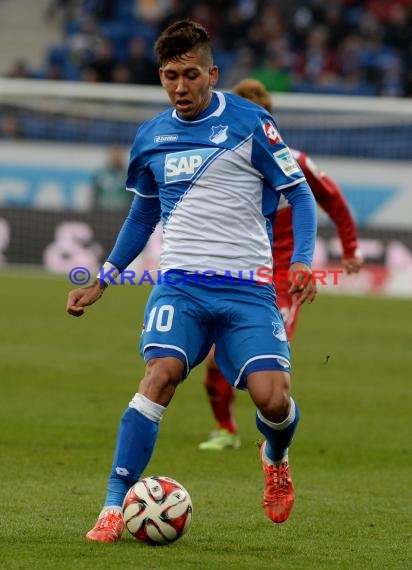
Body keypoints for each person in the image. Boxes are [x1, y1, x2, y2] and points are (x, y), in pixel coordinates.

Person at [66, 20, 317, 542]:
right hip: (180, 286)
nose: (180, 87)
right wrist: (103, 279)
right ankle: (114, 505)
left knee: (273, 400)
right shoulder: (153, 134)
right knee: (160, 375)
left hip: (248, 289)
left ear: (212, 73)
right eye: (170, 76)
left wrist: (304, 260)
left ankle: (275, 456)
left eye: (191, 75)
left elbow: (301, 194)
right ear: (161, 76)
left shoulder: (251, 122)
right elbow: (142, 216)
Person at [199, 78, 364, 452]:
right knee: (213, 357)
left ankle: (274, 441)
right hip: (235, 271)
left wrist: (350, 249)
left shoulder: (295, 163)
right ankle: (225, 429)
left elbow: (333, 201)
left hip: (283, 279)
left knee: (265, 365)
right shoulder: (222, 168)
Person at [91, 145, 131, 211]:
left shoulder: (128, 176)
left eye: (118, 155)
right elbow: (95, 196)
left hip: (122, 213)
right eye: (114, 155)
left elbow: (132, 198)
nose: (116, 158)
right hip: (103, 213)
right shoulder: (101, 175)